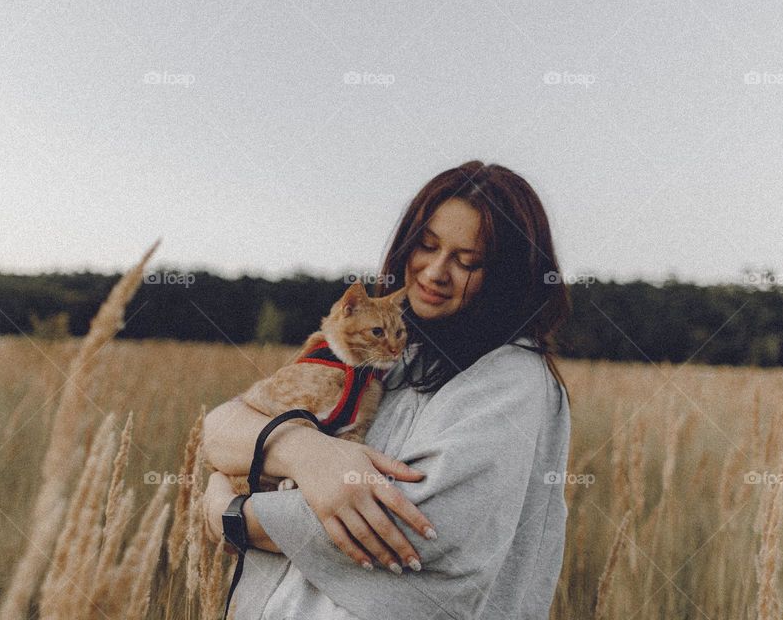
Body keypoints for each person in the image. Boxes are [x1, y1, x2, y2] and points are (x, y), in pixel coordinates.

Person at [202, 161, 572, 619]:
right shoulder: (398, 353)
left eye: (467, 261)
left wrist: (231, 514)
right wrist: (308, 454)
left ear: (508, 278)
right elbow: (219, 429)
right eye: (427, 245)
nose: (434, 272)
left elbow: (416, 528)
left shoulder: (511, 380)